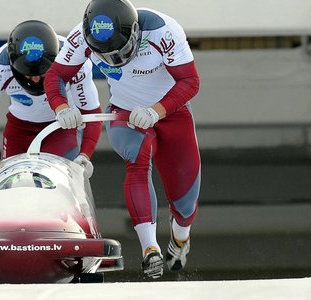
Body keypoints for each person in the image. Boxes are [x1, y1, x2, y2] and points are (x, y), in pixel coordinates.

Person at [45, 0, 200, 279]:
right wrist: (61, 106)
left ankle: (180, 238)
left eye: (122, 52)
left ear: (136, 34)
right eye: (106, 56)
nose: (116, 61)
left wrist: (157, 111)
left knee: (185, 203)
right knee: (137, 160)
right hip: (125, 112)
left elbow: (190, 81)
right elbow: (56, 75)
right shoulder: (80, 36)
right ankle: (149, 248)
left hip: (171, 112)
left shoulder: (164, 32)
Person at [0, 20, 102, 179]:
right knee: (14, 183)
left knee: (54, 178)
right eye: (29, 75)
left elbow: (91, 111)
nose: (36, 80)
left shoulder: (75, 60)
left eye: (42, 74)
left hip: (60, 128)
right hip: (19, 129)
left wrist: (85, 155)